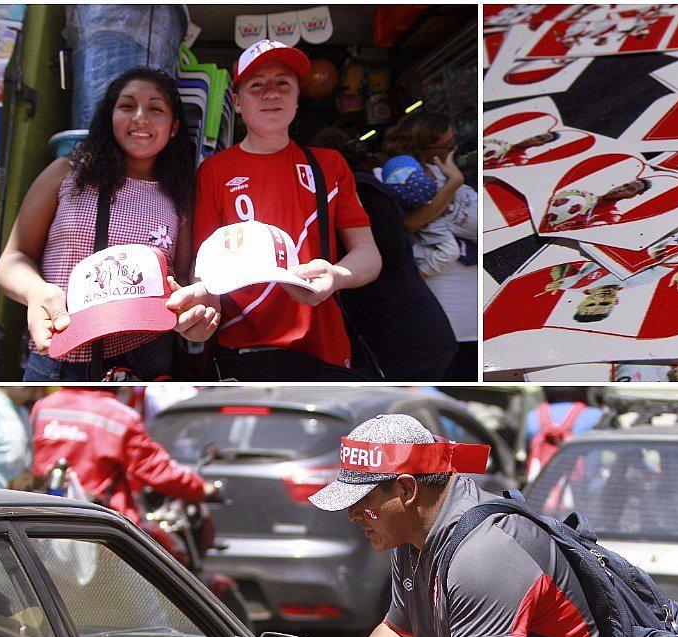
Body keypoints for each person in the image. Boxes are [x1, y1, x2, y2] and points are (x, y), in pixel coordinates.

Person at [296, 415, 630, 637]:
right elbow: (403, 636)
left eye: (363, 501)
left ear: (407, 490)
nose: (353, 514)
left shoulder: (484, 552)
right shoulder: (410, 537)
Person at [0, 66, 220, 381]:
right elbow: (13, 259)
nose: (140, 118)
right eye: (127, 105)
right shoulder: (66, 174)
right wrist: (36, 292)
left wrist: (197, 310)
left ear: (174, 128)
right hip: (60, 349)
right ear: (109, 117)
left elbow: (181, 279)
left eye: (155, 109)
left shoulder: (179, 198)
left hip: (147, 355)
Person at [193, 39, 382, 381]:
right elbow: (203, 268)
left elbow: (368, 254)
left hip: (324, 346)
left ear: (297, 98)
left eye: (283, 83)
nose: (271, 93)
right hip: (243, 347)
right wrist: (202, 315)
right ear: (237, 102)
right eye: (256, 85)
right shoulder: (213, 171)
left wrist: (337, 276)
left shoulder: (330, 165)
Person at [307, 127, 458, 380]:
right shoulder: (361, 188)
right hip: (404, 328)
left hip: (404, 332)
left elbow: (385, 257)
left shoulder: (363, 192)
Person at [29, 387, 215, 525]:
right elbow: (156, 469)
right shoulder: (120, 416)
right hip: (102, 527)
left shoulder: (43, 406)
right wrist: (202, 488)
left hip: (42, 517)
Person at [387, 111, 478, 380]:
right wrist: (454, 184)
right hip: (444, 293)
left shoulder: (444, 171)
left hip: (470, 289)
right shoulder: (404, 175)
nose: (454, 150)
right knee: (455, 364)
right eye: (447, 145)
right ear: (423, 147)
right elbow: (412, 222)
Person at [522, 388, 604, 482]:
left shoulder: (533, 416)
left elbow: (528, 451)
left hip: (541, 484)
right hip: (580, 483)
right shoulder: (595, 415)